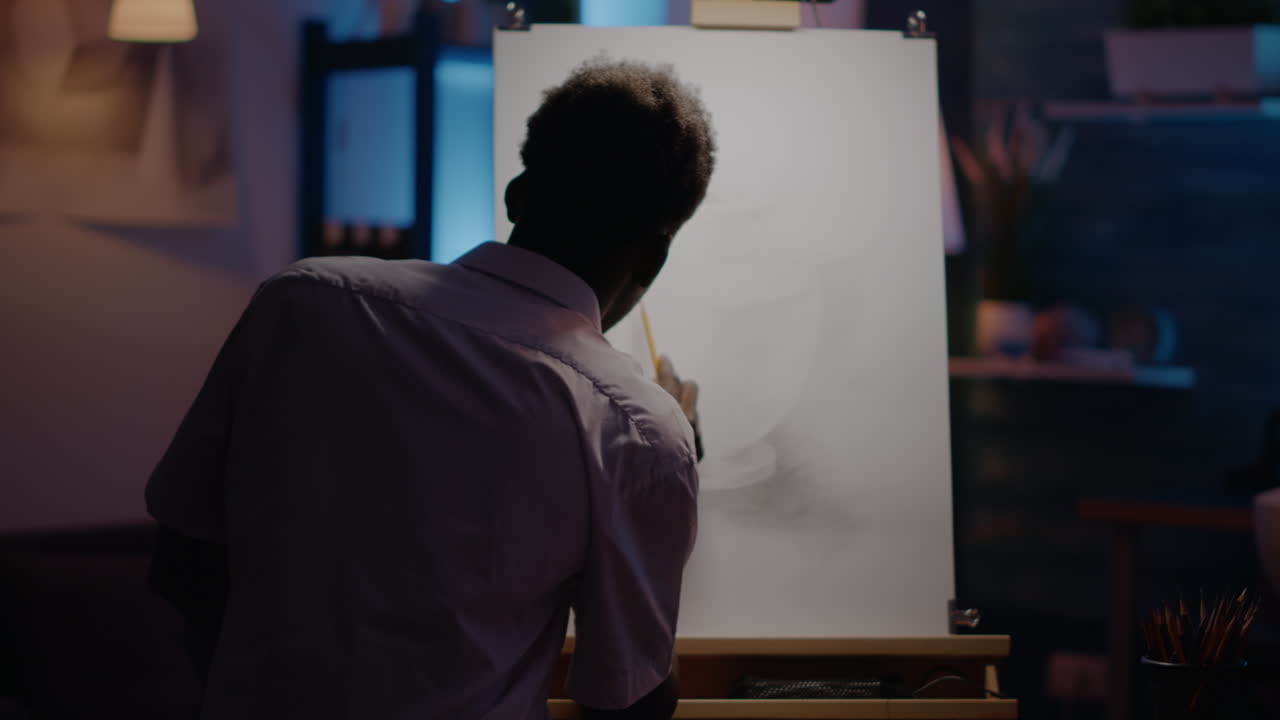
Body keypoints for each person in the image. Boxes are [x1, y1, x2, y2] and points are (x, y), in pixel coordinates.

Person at [145, 57, 716, 720]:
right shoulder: (636, 428)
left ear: (517, 196)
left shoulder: (303, 302)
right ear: (654, 257)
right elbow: (631, 700)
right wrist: (666, 478)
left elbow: (183, 563)